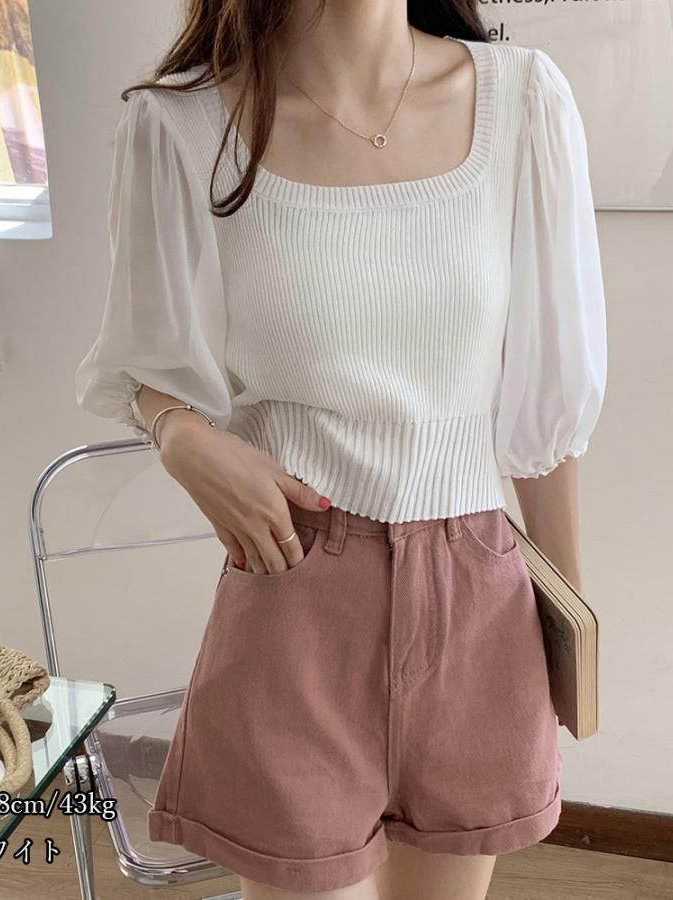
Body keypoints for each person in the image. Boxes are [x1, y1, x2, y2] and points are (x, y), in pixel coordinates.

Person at [74, 2, 607, 898]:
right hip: (294, 589)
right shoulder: (182, 125)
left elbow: (546, 412)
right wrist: (182, 435)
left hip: (480, 596)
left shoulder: (524, 101)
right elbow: (144, 361)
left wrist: (570, 630)